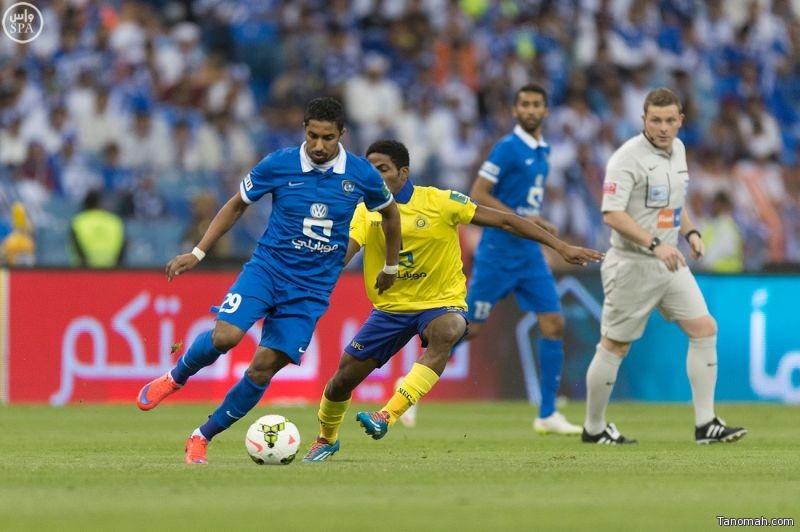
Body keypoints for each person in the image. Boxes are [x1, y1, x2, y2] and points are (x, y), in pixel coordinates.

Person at [135, 97, 401, 464]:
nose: (319, 146)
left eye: (327, 137)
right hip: (267, 270)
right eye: (312, 136)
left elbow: (389, 214)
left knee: (262, 368)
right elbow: (236, 204)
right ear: (304, 130)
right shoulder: (279, 164)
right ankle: (175, 377)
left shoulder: (361, 175)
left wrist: (391, 267)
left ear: (342, 134)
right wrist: (197, 253)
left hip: (311, 291)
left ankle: (201, 436)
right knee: (226, 336)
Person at [302, 139, 603, 462]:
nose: (374, 177)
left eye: (383, 169)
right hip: (390, 309)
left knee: (450, 329)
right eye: (369, 169)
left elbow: (505, 221)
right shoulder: (365, 212)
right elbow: (344, 254)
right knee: (341, 381)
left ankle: (386, 415)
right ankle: (326, 438)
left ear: (403, 173)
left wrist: (560, 246)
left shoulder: (440, 202)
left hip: (440, 303)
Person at [583, 88, 746, 445]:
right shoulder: (626, 159)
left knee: (704, 328)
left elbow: (674, 202)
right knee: (614, 346)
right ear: (643, 119)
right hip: (632, 264)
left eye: (670, 120)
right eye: (655, 120)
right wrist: (654, 244)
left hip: (670, 259)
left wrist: (691, 232)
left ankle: (706, 425)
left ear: (680, 121)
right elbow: (612, 213)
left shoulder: (679, 151)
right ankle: (593, 428)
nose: (662, 127)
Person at [464, 83, 581, 435]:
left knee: (554, 323)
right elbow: (478, 194)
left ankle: (546, 413)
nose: (530, 110)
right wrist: (523, 219)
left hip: (528, 253)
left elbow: (523, 202)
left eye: (536, 105)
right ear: (515, 111)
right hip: (497, 253)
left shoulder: (543, 150)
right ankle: (411, 389)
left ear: (545, 112)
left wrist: (534, 220)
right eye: (524, 105)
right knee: (468, 328)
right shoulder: (506, 149)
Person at [70, 189, 126, 268]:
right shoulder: (115, 221)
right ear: (101, 203)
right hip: (111, 271)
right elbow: (122, 248)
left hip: (84, 272)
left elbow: (76, 246)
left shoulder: (78, 221)